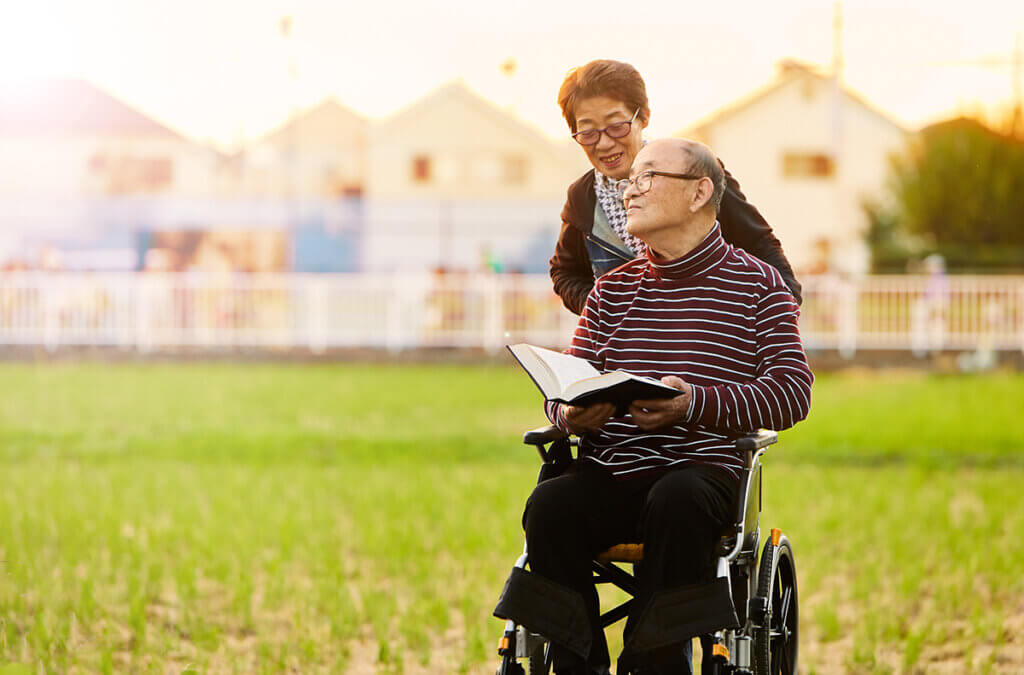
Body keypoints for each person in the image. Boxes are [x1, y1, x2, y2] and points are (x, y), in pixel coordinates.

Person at [520, 139, 813, 675]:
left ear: (700, 191)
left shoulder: (758, 286)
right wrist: (570, 414)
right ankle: (577, 665)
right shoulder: (610, 292)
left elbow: (794, 392)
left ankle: (654, 664)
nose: (632, 187)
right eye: (632, 177)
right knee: (551, 508)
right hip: (614, 471)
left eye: (650, 175)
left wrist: (693, 404)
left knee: (676, 498)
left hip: (700, 475)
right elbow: (566, 386)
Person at [550, 59, 801, 316]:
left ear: (643, 116)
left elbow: (758, 243)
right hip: (626, 351)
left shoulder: (692, 173)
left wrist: (783, 305)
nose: (603, 143)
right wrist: (603, 312)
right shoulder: (582, 197)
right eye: (588, 133)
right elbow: (564, 272)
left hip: (703, 336)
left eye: (616, 126)